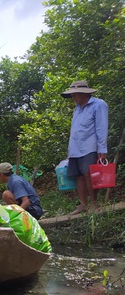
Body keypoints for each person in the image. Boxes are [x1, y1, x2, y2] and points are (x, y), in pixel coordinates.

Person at [61, 80, 109, 214]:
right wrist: (70, 151)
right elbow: (75, 131)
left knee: (89, 175)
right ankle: (83, 204)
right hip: (76, 148)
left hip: (90, 146)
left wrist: (102, 149)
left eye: (75, 95)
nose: (73, 97)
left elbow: (101, 127)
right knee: (78, 176)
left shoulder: (98, 105)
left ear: (83, 94)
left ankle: (94, 203)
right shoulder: (77, 109)